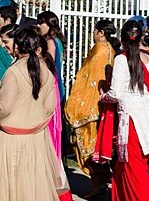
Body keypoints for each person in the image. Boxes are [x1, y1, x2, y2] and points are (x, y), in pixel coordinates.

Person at [0, 27, 70, 200]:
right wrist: (37, 122)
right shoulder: (45, 70)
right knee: (33, 186)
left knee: (12, 187)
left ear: (17, 47)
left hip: (11, 139)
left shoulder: (13, 72)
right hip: (37, 137)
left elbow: (4, 107)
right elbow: (50, 106)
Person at [101, 19, 149, 201]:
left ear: (122, 40)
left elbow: (116, 93)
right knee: (134, 168)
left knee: (134, 172)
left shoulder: (121, 59)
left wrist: (103, 96)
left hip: (132, 121)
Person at [64, 18, 119, 198]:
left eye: (95, 31)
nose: (93, 35)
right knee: (100, 148)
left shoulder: (99, 49)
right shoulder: (111, 49)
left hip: (90, 106)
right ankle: (99, 185)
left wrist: (76, 104)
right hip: (104, 106)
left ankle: (98, 186)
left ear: (101, 32)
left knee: (90, 148)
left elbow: (87, 78)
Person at [36, 10, 66, 161]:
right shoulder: (58, 41)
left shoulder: (49, 42)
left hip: (52, 87)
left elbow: (49, 67)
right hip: (58, 86)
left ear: (49, 24)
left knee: (51, 127)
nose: (38, 25)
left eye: (41, 22)